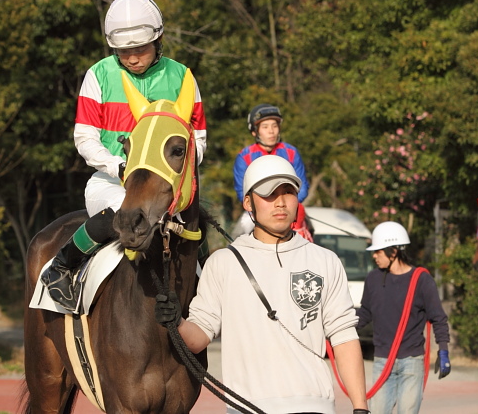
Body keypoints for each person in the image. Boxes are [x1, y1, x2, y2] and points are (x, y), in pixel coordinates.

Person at [156, 155, 369, 414]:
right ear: (248, 202)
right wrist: (176, 322)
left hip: (316, 406)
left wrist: (361, 408)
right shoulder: (223, 262)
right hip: (247, 408)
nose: (280, 202)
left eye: (288, 192)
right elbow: (199, 337)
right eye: (269, 194)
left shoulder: (325, 260)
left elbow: (344, 337)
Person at [42, 0, 207, 312]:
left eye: (140, 49)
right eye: (124, 51)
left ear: (158, 42)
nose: (132, 58)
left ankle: (205, 300)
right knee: (126, 210)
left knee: (196, 228)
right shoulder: (99, 75)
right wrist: (118, 166)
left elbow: (197, 138)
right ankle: (62, 265)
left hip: (168, 185)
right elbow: (85, 138)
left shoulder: (183, 77)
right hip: (111, 182)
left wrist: (175, 178)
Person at [356, 221, 451, 414]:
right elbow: (365, 312)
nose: (374, 256)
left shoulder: (422, 280)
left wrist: (443, 351)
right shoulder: (373, 279)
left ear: (393, 252)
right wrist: (340, 327)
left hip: (412, 362)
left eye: (378, 252)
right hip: (383, 360)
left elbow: (438, 318)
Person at [232, 104, 311, 238]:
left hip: (288, 206)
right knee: (241, 230)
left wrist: (288, 204)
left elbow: (302, 187)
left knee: (307, 230)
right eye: (265, 127)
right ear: (254, 131)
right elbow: (242, 191)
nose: (271, 131)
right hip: (258, 208)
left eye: (274, 126)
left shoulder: (291, 152)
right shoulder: (244, 157)